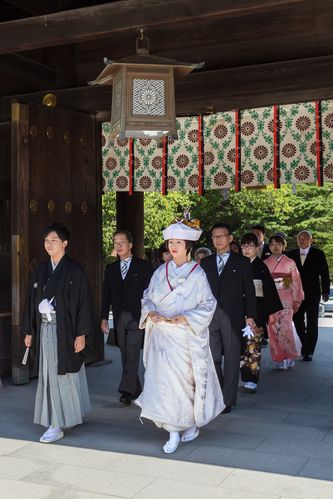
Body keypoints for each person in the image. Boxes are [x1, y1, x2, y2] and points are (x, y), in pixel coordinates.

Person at [135, 221, 224, 454]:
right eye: (171, 242)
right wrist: (150, 311)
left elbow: (208, 303)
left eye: (178, 243)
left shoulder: (197, 274)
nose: (173, 246)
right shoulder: (159, 272)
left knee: (183, 384)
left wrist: (186, 318)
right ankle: (173, 429)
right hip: (161, 336)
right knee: (163, 382)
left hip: (183, 337)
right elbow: (147, 296)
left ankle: (186, 423)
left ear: (188, 247)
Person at [23, 223, 93, 444]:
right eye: (46, 240)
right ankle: (57, 419)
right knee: (50, 373)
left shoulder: (74, 270)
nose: (49, 244)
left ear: (64, 243)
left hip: (66, 329)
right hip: (45, 328)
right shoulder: (41, 270)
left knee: (63, 373)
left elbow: (83, 302)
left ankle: (58, 423)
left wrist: (81, 333)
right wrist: (29, 330)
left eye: (53, 240)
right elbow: (30, 302)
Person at [200, 222, 256, 413]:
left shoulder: (241, 262)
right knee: (212, 356)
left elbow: (249, 291)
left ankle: (228, 399)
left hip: (233, 315)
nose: (218, 239)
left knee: (232, 357)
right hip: (210, 314)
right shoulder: (206, 263)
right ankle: (218, 393)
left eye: (221, 236)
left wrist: (251, 316)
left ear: (230, 238)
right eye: (214, 236)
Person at [101, 230, 153, 405]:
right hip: (119, 317)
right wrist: (103, 317)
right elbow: (106, 294)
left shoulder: (143, 266)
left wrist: (150, 314)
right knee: (125, 354)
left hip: (138, 316)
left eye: (122, 242)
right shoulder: (111, 268)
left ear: (130, 245)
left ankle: (126, 391)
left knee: (131, 353)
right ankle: (135, 388)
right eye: (115, 242)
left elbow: (150, 293)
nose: (118, 245)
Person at [240, 233, 283, 391]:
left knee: (253, 345)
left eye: (250, 246)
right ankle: (244, 375)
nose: (246, 249)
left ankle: (252, 378)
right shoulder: (237, 265)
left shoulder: (261, 267)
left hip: (257, 310)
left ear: (257, 248)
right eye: (244, 245)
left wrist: (271, 312)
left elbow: (270, 291)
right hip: (239, 310)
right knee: (241, 346)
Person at [288, 230, 330, 361]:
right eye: (300, 238)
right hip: (296, 294)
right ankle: (305, 342)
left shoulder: (318, 253)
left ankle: (309, 351)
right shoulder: (291, 254)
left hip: (313, 293)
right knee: (297, 319)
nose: (302, 240)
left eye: (305, 238)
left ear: (311, 240)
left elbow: (324, 273)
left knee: (312, 322)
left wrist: (326, 290)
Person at [264, 234, 304, 369]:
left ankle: (290, 355)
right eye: (273, 244)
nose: (275, 247)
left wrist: (296, 299)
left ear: (283, 246)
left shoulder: (290, 262)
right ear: (269, 246)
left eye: (278, 244)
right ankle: (279, 357)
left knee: (285, 328)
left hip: (286, 298)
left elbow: (296, 282)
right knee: (273, 328)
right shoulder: (265, 263)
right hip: (271, 298)